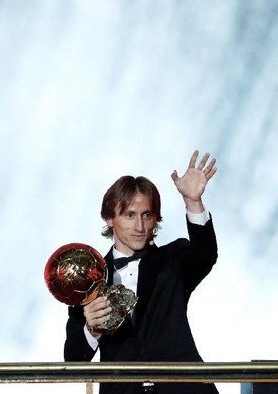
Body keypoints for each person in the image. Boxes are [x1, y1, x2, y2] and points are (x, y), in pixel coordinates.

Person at [63, 150, 219, 394]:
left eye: (147, 215)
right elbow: (73, 361)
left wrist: (193, 202)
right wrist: (91, 330)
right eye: (129, 215)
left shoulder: (173, 259)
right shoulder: (87, 280)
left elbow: (205, 255)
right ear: (109, 218)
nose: (140, 226)